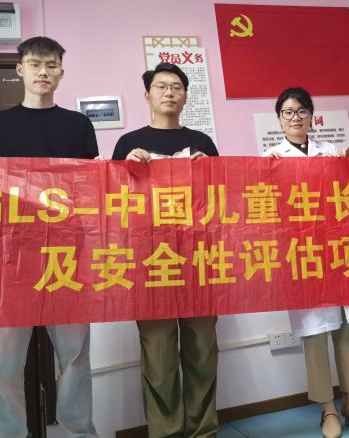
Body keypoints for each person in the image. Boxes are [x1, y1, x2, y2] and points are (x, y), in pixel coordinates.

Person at [0, 36, 98, 438]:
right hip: (7, 260)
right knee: (4, 365)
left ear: (61, 72)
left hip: (66, 257)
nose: (43, 72)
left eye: (51, 65)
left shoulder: (78, 125)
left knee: (75, 356)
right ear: (20, 70)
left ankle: (78, 432)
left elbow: (91, 187)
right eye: (36, 64)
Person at [263, 87, 349, 438]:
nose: (295, 117)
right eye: (288, 112)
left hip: (338, 247)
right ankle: (328, 409)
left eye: (302, 111)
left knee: (346, 326)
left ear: (312, 116)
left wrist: (348, 166)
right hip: (303, 251)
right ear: (279, 119)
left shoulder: (332, 151)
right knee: (315, 331)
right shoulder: (270, 157)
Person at [112, 62, 219, 438]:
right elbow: (111, 202)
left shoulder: (203, 142)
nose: (169, 92)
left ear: (186, 96)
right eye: (161, 86)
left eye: (176, 87)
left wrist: (212, 171)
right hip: (150, 260)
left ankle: (203, 431)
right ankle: (166, 432)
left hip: (199, 259)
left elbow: (222, 201)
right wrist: (126, 168)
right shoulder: (128, 144)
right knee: (158, 354)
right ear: (147, 95)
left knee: (202, 351)